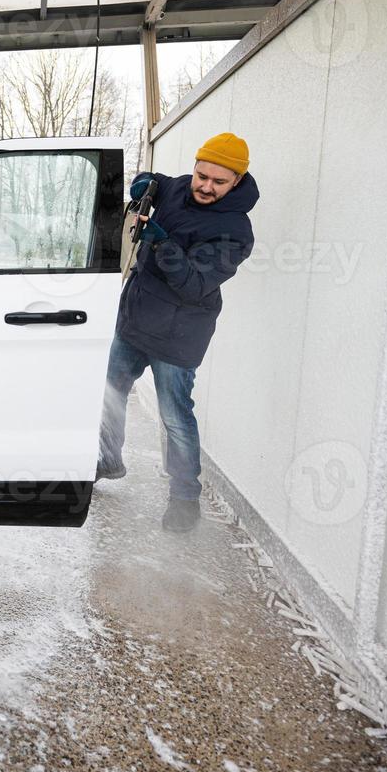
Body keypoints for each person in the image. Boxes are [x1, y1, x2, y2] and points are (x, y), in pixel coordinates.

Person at [98, 133, 258, 532]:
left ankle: (185, 498)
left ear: (236, 180)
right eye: (201, 175)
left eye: (218, 182)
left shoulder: (236, 231)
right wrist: (143, 182)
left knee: (175, 418)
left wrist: (161, 241)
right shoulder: (177, 188)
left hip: (178, 337)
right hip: (134, 321)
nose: (205, 186)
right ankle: (107, 459)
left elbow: (193, 284)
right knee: (109, 394)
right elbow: (157, 179)